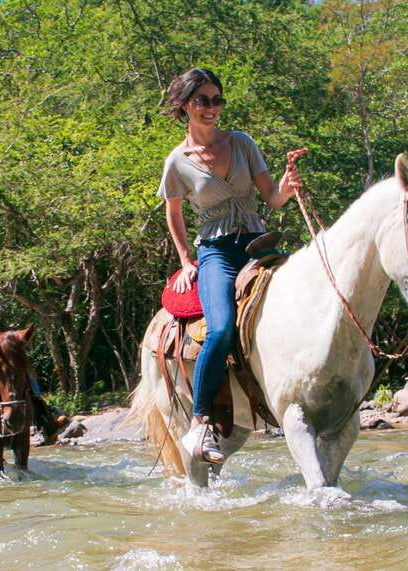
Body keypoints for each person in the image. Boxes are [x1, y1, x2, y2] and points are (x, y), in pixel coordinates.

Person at [157, 68, 303, 464]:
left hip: (258, 243)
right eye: (203, 100)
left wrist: (288, 186)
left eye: (217, 100)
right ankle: (200, 421)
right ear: (185, 105)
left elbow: (272, 198)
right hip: (217, 252)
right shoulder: (177, 162)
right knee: (220, 328)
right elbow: (174, 213)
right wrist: (185, 259)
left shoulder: (242, 142)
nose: (212, 108)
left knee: (306, 302)